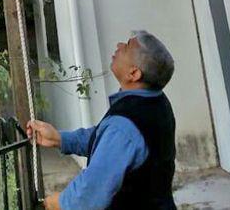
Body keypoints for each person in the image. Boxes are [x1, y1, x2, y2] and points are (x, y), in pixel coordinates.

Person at [26, 30, 177, 210]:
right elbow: (104, 138)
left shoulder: (124, 126)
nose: (119, 46)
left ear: (134, 73)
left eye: (127, 46)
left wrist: (55, 203)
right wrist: (59, 138)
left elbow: (88, 196)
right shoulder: (155, 101)